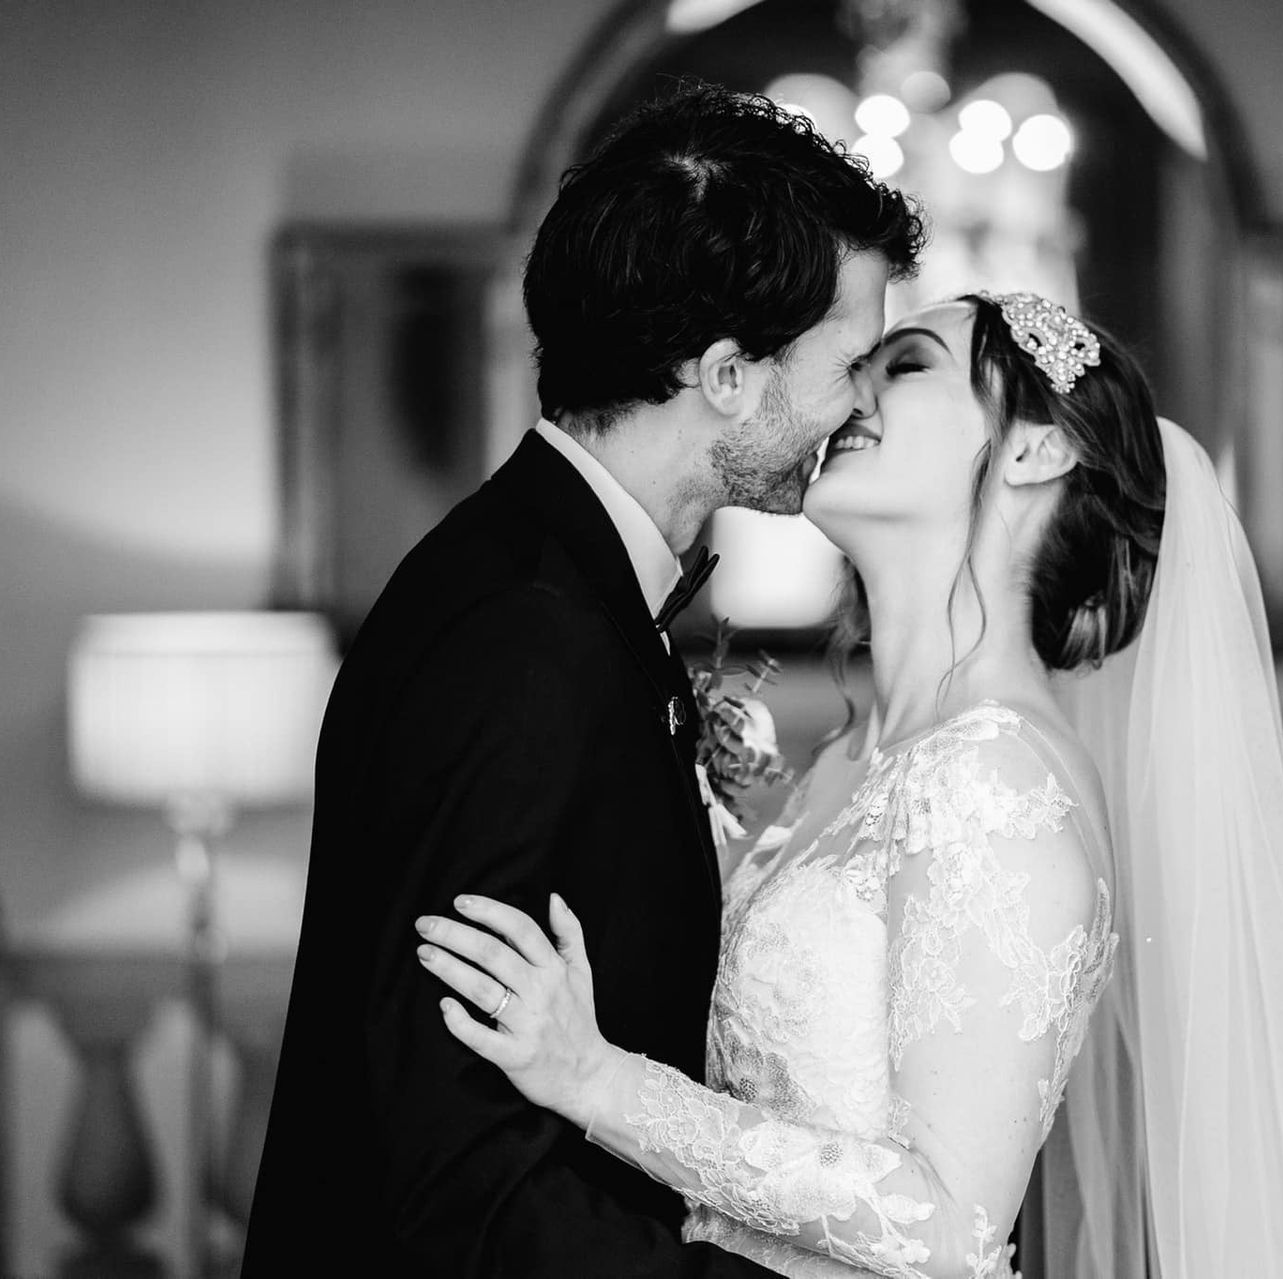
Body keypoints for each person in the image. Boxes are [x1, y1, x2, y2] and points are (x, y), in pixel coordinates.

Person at [413, 293, 1283, 1277]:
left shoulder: (998, 781)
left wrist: (597, 1081)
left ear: (1036, 449)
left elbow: (947, 1225)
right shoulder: (857, 757)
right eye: (860, 365)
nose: (853, 393)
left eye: (909, 363)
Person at [240, 83, 924, 1277]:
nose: (866, 403)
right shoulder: (520, 638)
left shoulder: (561, 586)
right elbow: (460, 1180)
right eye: (852, 361)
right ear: (728, 375)